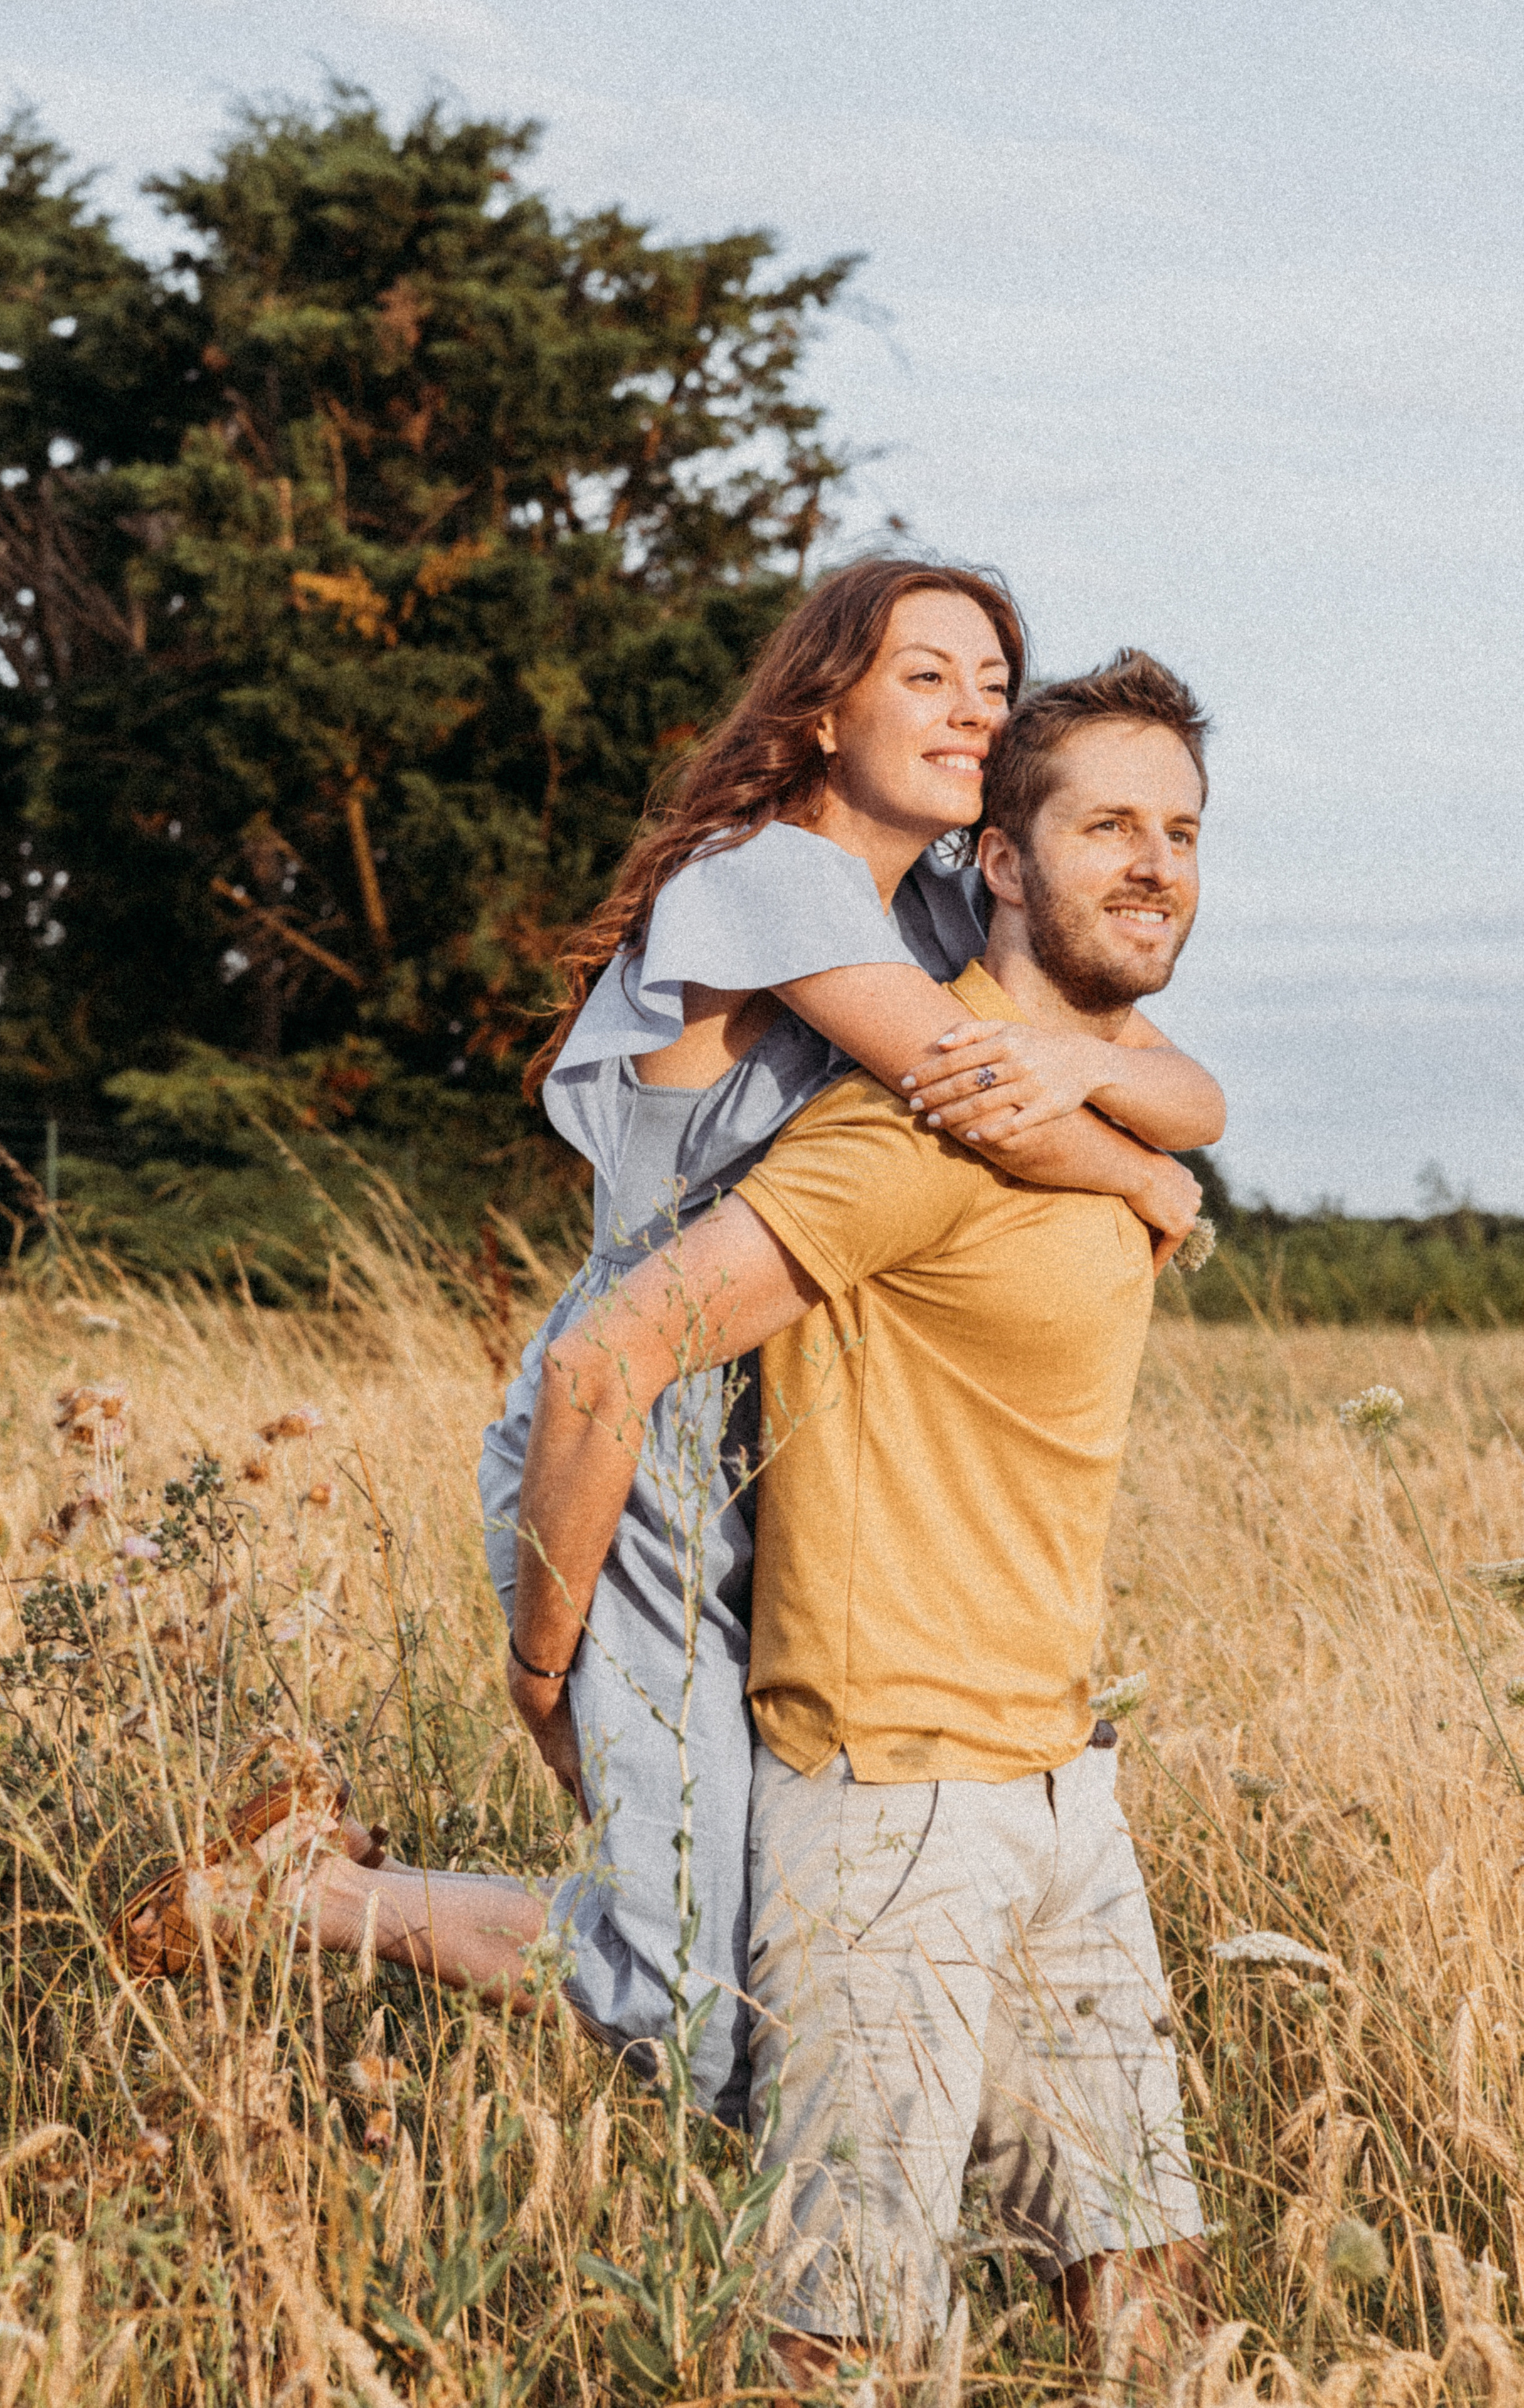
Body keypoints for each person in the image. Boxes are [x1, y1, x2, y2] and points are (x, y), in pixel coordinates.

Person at [110, 567, 1220, 2132]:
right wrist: (1133, 1169)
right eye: (926, 676)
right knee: (703, 2001)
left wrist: (1102, 1089)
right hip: (637, 1431)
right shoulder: (767, 874)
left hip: (784, 1448)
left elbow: (1183, 1085)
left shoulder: (939, 905)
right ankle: (307, 1899)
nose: (974, 708)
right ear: (824, 708)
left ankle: (310, 1881)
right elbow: (974, 1095)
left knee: (774, 1960)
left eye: (992, 679)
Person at [495, 648, 1214, 2376]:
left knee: (1148, 2292)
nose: (1155, 864)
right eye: (1107, 823)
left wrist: (1144, 1141)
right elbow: (611, 1361)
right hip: (891, 1814)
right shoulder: (920, 1124)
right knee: (852, 2339)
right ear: (1001, 863)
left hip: (1059, 1790)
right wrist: (546, 1663)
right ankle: (313, 1901)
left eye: (1183, 831)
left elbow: (1182, 1102)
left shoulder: (1096, 1088)